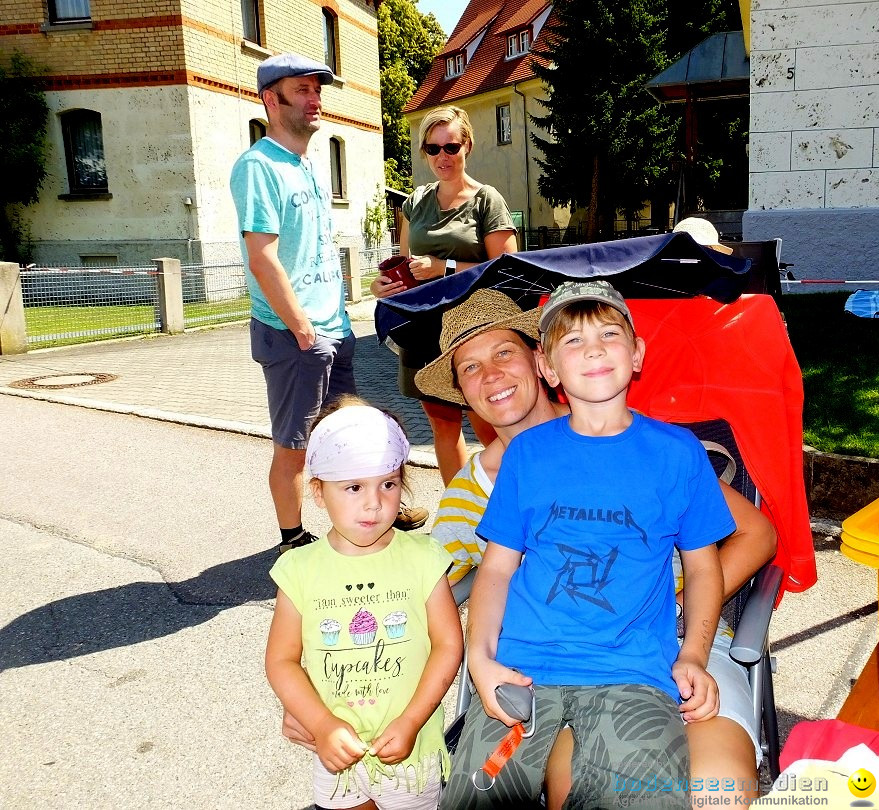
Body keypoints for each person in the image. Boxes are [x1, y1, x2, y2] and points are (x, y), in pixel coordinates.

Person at [418, 288, 774, 807]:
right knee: (480, 793)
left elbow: (716, 557)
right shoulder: (512, 468)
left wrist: (688, 645)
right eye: (470, 367)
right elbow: (466, 582)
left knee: (675, 792)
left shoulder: (672, 452)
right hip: (530, 668)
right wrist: (480, 660)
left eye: (502, 353)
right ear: (551, 364)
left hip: (639, 663)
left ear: (636, 353)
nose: (491, 375)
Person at [231, 53, 423, 555]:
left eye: (318, 90)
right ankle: (292, 539)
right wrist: (302, 329)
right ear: (272, 100)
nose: (315, 99)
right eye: (302, 90)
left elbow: (314, 252)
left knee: (351, 430)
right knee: (295, 445)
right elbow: (264, 258)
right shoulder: (258, 166)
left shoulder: (309, 165)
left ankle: (372, 515)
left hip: (332, 328)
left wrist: (350, 305)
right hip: (295, 335)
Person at [265, 398, 463, 809]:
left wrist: (411, 720)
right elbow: (281, 659)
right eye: (354, 487)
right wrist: (320, 724)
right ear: (318, 492)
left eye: (387, 484)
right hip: (334, 751)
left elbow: (449, 645)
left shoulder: (425, 558)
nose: (374, 502)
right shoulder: (298, 568)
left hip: (411, 754)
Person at [371, 105, 517, 486]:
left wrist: (445, 268)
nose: (442, 157)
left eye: (450, 147)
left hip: (475, 328)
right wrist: (384, 286)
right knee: (442, 424)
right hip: (423, 329)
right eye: (432, 149)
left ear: (467, 144)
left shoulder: (487, 200)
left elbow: (509, 270)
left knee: (489, 424)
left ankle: (509, 510)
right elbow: (405, 261)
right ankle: (459, 512)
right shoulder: (415, 202)